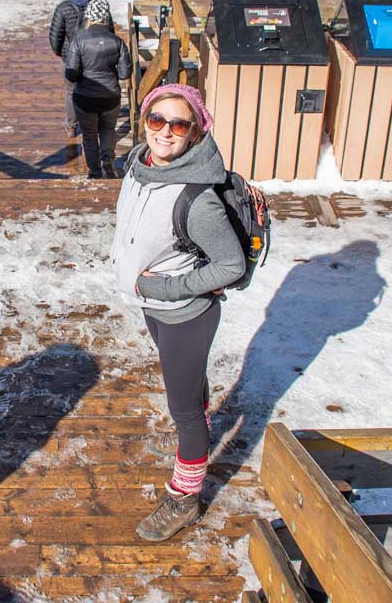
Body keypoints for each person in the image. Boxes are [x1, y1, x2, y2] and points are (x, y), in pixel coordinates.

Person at [110, 85, 245, 542]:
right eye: (157, 120)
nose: (165, 132)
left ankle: (185, 499)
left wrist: (165, 287)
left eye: (179, 124)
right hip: (154, 305)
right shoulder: (139, 166)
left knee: (183, 410)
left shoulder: (197, 197)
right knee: (188, 388)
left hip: (183, 313)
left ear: (195, 132)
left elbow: (231, 265)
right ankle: (198, 427)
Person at [64, 0, 130, 179]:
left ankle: (94, 171)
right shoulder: (117, 42)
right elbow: (125, 73)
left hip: (84, 98)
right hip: (110, 96)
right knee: (108, 130)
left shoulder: (78, 40)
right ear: (106, 17)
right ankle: (107, 161)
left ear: (89, 17)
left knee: (90, 136)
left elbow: (71, 74)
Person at [48, 0, 94, 139]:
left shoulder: (63, 8)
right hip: (93, 57)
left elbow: (55, 36)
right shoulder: (96, 4)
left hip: (71, 58)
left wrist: (61, 52)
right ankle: (91, 124)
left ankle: (71, 127)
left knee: (71, 92)